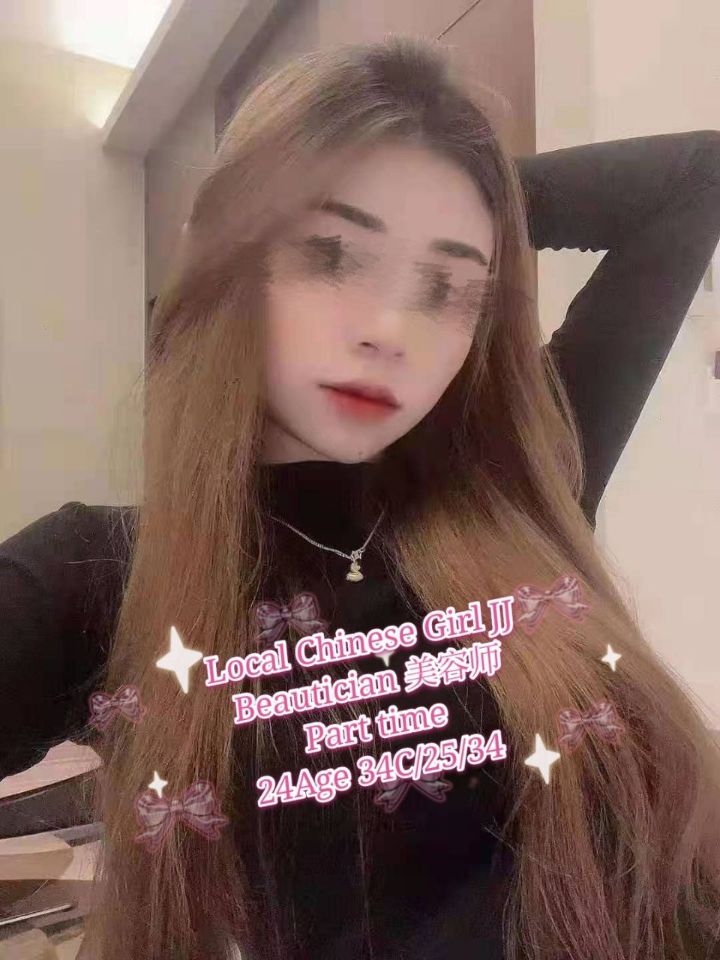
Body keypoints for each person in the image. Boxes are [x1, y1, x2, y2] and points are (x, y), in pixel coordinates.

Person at [1, 36, 720, 960]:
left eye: (448, 287)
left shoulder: (520, 494)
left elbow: (692, 177)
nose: (390, 330)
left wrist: (467, 195)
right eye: (333, 254)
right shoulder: (98, 581)